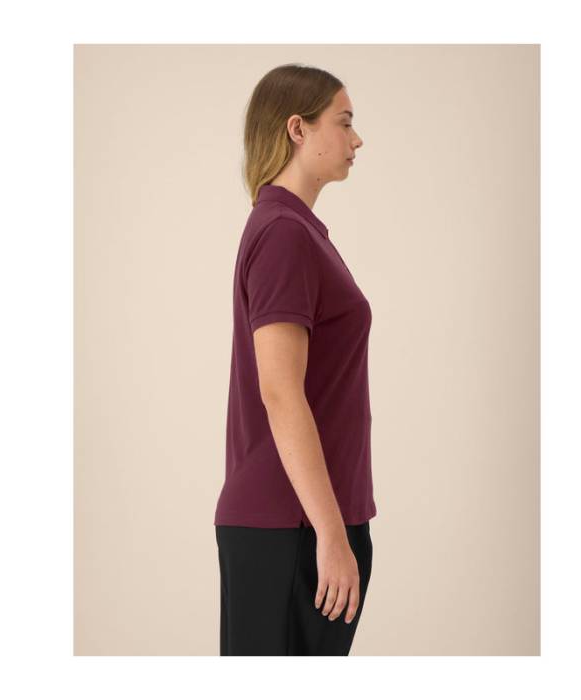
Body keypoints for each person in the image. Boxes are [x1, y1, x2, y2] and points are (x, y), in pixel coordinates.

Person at [213, 63, 375, 656]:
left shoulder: (298, 231)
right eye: (345, 122)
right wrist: (331, 534)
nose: (357, 139)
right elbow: (280, 391)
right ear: (298, 129)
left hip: (309, 521)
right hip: (293, 526)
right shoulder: (283, 233)